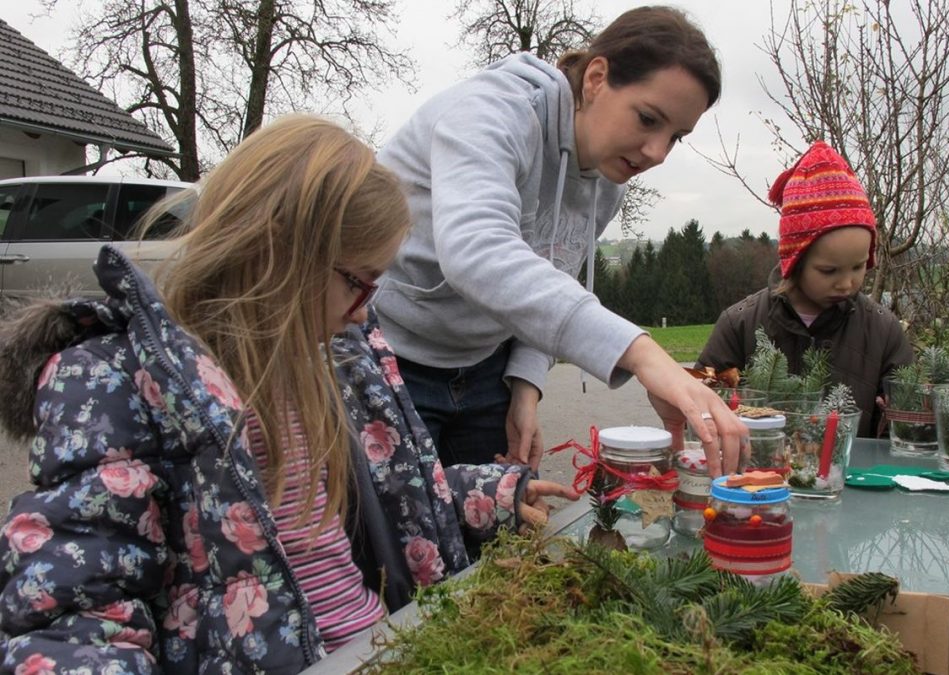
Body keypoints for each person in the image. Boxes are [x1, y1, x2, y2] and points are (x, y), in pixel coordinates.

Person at [0, 114, 576, 673]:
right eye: (356, 282)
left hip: (383, 645)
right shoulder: (111, 385)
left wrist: (485, 494)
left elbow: (399, 496)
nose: (361, 315)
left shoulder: (330, 365)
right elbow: (80, 606)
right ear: (276, 249)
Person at [374, 6, 746, 477]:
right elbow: (476, 251)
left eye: (676, 136)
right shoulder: (491, 111)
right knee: (404, 538)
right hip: (389, 356)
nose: (656, 153)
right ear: (596, 77)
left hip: (486, 369)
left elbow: (553, 277)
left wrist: (526, 386)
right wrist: (644, 353)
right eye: (648, 119)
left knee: (488, 531)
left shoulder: (609, 180)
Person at [695, 140, 913, 437]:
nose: (847, 283)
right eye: (829, 270)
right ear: (794, 261)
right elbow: (700, 410)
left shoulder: (883, 331)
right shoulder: (740, 324)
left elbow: (905, 429)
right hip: (755, 478)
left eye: (859, 266)